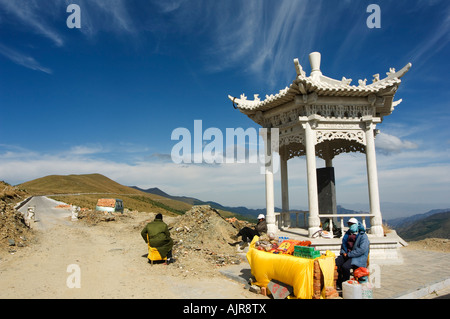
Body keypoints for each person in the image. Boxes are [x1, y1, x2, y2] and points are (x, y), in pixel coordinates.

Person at [335, 217, 370, 289]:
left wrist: (349, 254)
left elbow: (362, 250)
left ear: (357, 225)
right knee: (336, 263)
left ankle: (346, 283)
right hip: (347, 254)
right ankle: (339, 283)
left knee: (345, 267)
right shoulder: (347, 234)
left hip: (357, 256)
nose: (351, 226)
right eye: (349, 224)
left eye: (352, 224)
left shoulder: (363, 236)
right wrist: (343, 252)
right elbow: (343, 245)